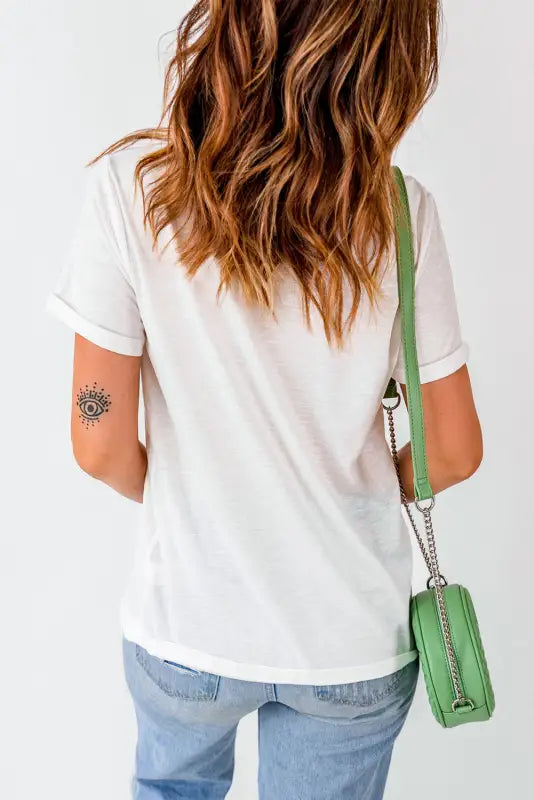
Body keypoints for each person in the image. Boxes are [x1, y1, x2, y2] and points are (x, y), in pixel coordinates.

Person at [45, 1, 483, 797]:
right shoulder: (400, 217)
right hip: (346, 642)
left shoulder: (131, 193)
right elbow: (450, 450)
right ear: (387, 56)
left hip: (187, 632)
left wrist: (199, 494)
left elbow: (95, 430)